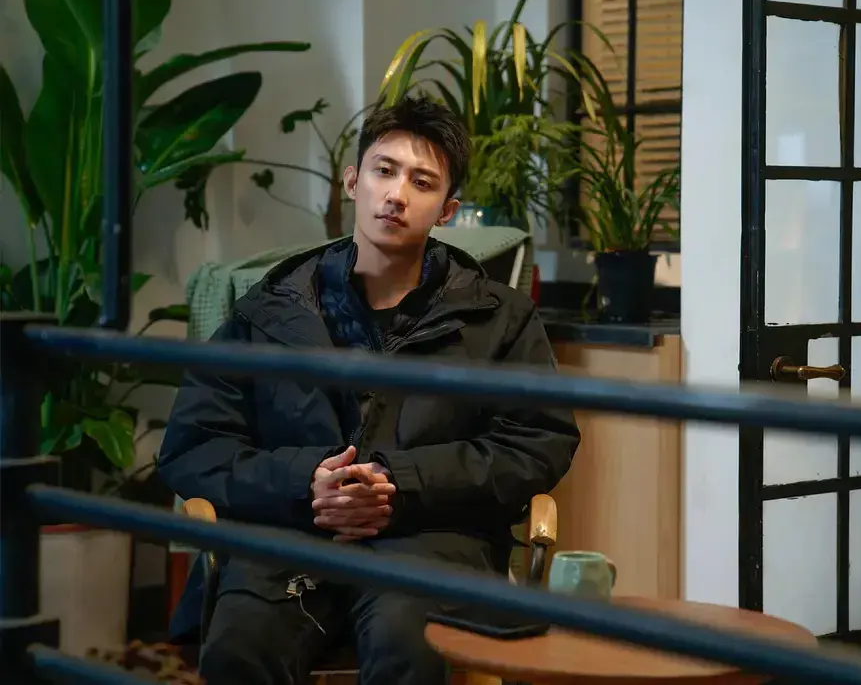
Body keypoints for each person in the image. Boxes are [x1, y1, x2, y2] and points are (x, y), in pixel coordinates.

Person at [157, 95, 581, 684]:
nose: (397, 194)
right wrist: (307, 482)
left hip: (431, 544)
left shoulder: (498, 318)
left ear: (447, 210)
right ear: (354, 182)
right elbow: (195, 444)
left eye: (421, 182)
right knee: (239, 647)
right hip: (287, 539)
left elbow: (536, 444)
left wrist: (399, 483)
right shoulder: (269, 311)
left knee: (408, 644)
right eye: (384, 171)